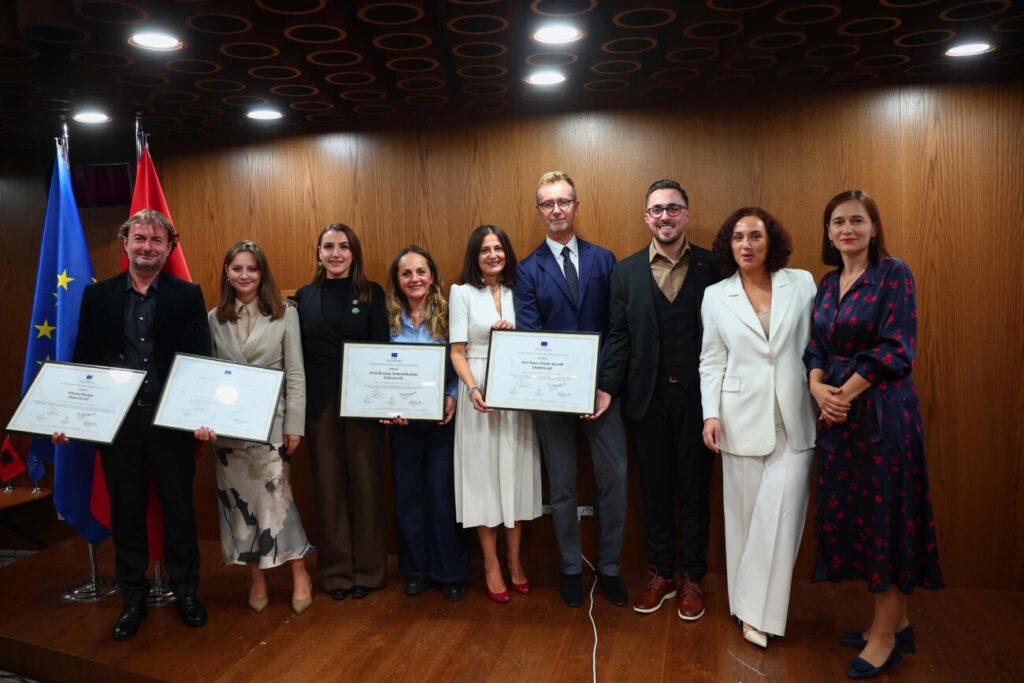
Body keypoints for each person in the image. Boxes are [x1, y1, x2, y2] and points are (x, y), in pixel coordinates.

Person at [804, 190, 943, 679]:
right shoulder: (827, 283)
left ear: (874, 228)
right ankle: (895, 621)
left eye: (857, 221)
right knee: (860, 519)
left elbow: (897, 348)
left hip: (883, 415)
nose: (848, 229)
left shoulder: (894, 274)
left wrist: (843, 393)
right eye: (838, 221)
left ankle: (886, 637)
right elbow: (815, 347)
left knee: (889, 517)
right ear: (828, 232)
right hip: (839, 420)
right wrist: (818, 388)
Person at [54, 208, 210, 641]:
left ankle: (187, 592)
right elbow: (83, 362)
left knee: (179, 511)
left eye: (156, 241)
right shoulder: (97, 296)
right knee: (127, 516)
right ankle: (132, 598)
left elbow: (199, 362)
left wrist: (203, 415)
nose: (147, 246)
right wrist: (70, 416)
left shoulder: (187, 295)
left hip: (171, 423)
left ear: (169, 248)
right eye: (139, 238)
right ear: (125, 243)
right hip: (118, 425)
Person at [596, 179, 721, 620]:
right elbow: (620, 336)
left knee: (693, 491)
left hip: (698, 400)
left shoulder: (715, 266)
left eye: (673, 208)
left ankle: (691, 577)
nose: (664, 216)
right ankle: (661, 573)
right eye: (656, 210)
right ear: (646, 218)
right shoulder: (625, 272)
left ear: (686, 214)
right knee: (654, 489)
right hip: (645, 400)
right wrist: (607, 387)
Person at [699, 208, 817, 647]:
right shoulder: (716, 295)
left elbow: (817, 343)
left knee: (781, 518)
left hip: (796, 418)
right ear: (728, 246)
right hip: (739, 418)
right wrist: (710, 413)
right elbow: (711, 359)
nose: (746, 244)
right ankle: (743, 607)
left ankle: (758, 615)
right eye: (737, 238)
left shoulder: (802, 283)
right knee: (745, 520)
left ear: (772, 243)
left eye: (755, 236)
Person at [514, 171, 628, 608]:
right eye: (548, 203)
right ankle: (568, 569)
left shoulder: (605, 260)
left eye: (564, 201)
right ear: (539, 212)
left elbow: (617, 330)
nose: (557, 209)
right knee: (561, 486)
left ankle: (612, 568)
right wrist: (564, 390)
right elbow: (531, 332)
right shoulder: (527, 270)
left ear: (576, 206)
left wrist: (602, 388)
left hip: (603, 394)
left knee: (614, 479)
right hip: (552, 396)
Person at [193, 240, 313, 615]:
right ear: (227, 272)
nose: (244, 275)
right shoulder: (214, 318)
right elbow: (208, 376)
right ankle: (256, 578)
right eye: (237, 269)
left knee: (279, 505)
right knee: (238, 507)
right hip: (229, 434)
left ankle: (299, 573)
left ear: (263, 274)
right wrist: (205, 419)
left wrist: (295, 425)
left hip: (271, 427)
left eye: (252, 269)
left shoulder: (284, 314)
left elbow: (295, 374)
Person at [294, 224, 389, 600]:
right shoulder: (304, 296)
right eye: (329, 247)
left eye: (344, 247)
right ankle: (335, 574)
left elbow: (381, 348)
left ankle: (369, 571)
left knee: (367, 486)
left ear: (354, 252)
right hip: (320, 404)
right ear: (318, 252)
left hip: (363, 403)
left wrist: (383, 400)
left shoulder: (371, 293)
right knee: (329, 488)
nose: (336, 253)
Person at [449, 225, 542, 603]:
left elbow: (537, 339)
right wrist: (472, 388)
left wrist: (513, 334)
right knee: (484, 481)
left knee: (513, 476)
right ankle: (491, 564)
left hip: (517, 395)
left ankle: (515, 561)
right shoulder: (462, 293)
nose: (492, 255)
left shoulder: (521, 290)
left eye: (498, 248)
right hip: (479, 397)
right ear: (475, 255)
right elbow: (456, 350)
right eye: (485, 249)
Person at [380, 245, 470, 602]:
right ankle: (415, 570)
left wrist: (453, 394)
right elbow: (379, 367)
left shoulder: (450, 314)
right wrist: (387, 403)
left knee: (442, 495)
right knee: (408, 496)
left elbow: (460, 359)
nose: (415, 279)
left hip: (441, 418)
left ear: (432, 275)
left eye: (421, 271)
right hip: (402, 423)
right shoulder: (386, 317)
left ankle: (450, 572)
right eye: (406, 273)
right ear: (398, 280)